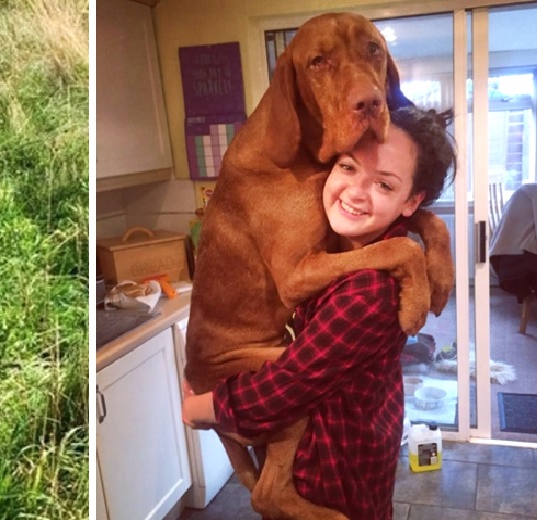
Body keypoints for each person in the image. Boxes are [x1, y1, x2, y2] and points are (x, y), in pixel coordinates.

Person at [181, 105, 457, 520]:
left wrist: (200, 408)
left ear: (410, 201)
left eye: (384, 184)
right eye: (347, 167)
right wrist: (431, 230)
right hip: (355, 449)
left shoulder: (371, 291)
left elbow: (291, 383)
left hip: (328, 480)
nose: (355, 192)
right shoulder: (338, 241)